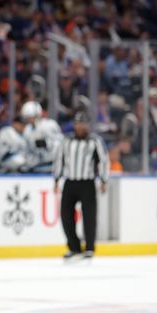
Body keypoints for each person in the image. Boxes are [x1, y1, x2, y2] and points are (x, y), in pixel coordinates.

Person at [53, 111, 110, 260]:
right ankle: (74, 247)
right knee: (65, 215)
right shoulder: (66, 141)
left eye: (82, 124)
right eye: (77, 124)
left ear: (87, 125)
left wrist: (104, 180)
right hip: (70, 182)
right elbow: (59, 159)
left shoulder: (94, 141)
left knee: (89, 216)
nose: (80, 127)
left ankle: (89, 247)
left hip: (87, 183)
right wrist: (56, 179)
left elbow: (103, 160)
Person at [21, 101, 63, 173]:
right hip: (36, 166)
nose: (29, 119)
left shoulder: (49, 125)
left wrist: (46, 143)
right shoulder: (27, 129)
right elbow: (26, 149)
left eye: (31, 117)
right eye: (27, 117)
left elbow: (60, 143)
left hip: (51, 165)